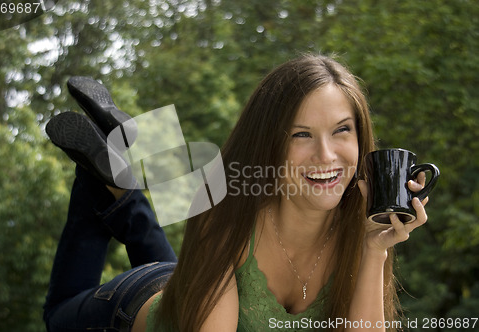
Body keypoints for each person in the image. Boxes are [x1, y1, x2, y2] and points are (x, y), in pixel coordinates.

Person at [43, 54, 430, 332]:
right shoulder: (229, 215)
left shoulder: (359, 229)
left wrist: (375, 248)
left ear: (362, 140)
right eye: (301, 134)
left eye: (342, 130)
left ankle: (121, 164)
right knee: (57, 315)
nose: (326, 155)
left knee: (180, 244)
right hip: (130, 310)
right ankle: (100, 173)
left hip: (192, 282)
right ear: (268, 143)